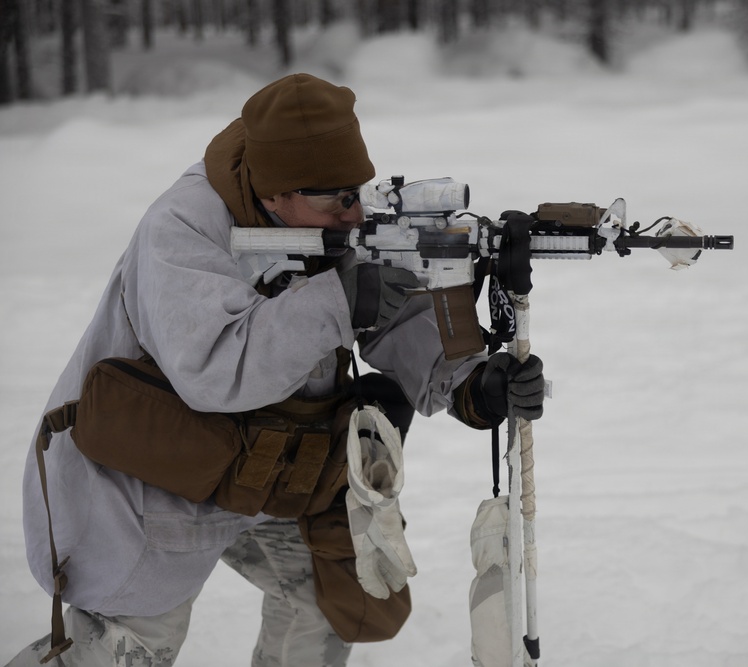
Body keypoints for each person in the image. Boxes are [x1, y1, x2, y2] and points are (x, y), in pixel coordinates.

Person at [6, 73, 543, 667]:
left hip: (270, 471)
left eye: (356, 191)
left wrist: (467, 382)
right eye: (336, 200)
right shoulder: (180, 230)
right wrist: (337, 303)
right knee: (121, 649)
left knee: (331, 598)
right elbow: (213, 369)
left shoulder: (326, 204)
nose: (354, 213)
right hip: (143, 484)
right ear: (276, 193)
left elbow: (387, 303)